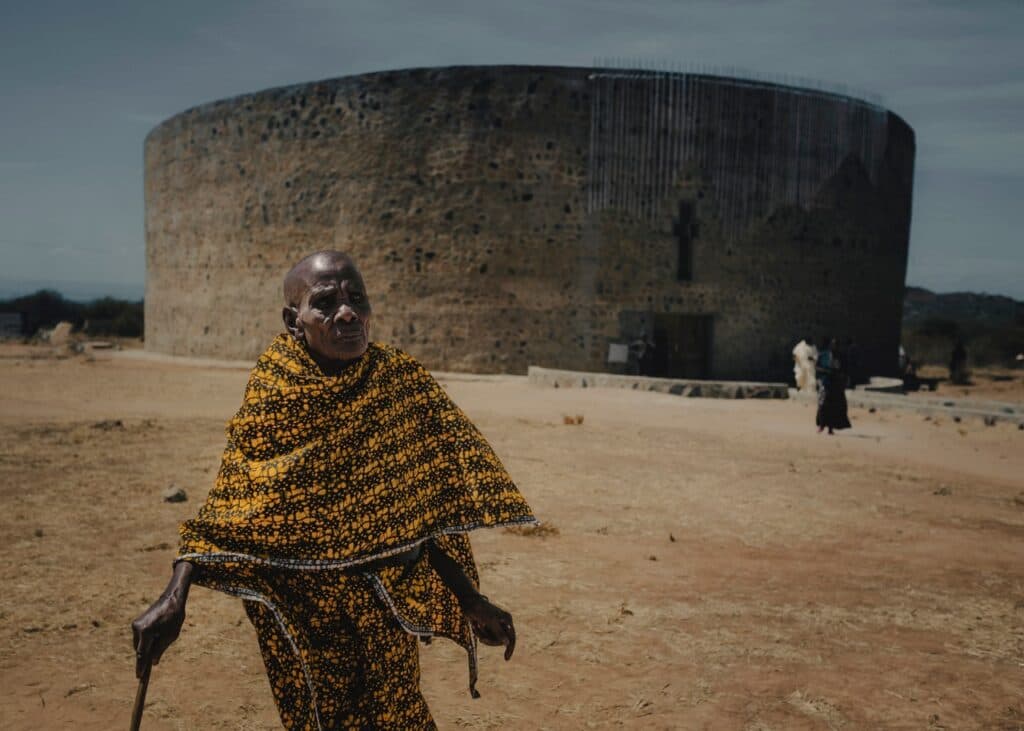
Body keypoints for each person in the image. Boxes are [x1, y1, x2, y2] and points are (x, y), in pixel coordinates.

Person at [131, 251, 537, 730]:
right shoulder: (277, 390)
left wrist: (469, 598)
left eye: (356, 299)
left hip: (385, 601)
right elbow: (233, 507)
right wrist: (176, 594)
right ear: (294, 321)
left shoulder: (398, 384)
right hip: (305, 610)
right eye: (325, 303)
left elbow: (423, 515)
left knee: (399, 718)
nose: (347, 313)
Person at [814, 337, 851, 435]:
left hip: (836, 385)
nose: (835, 347)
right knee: (822, 405)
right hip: (825, 383)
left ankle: (830, 428)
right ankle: (821, 425)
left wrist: (844, 379)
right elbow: (817, 367)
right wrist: (825, 372)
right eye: (834, 345)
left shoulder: (841, 357)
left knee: (833, 406)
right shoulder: (823, 355)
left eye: (837, 345)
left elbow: (845, 370)